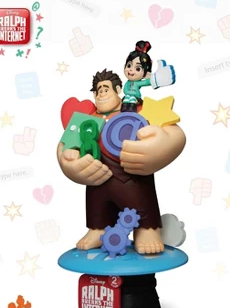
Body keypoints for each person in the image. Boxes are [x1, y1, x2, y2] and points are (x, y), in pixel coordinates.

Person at [57, 69, 186, 254]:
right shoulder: (87, 117)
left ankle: (147, 229)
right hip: (97, 172)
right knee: (97, 200)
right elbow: (65, 143)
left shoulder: (138, 109)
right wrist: (68, 163)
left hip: (132, 170)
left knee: (140, 196)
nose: (101, 94)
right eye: (98, 91)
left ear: (118, 90)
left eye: (106, 89)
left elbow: (175, 132)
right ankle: (98, 228)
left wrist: (160, 148)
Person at [121, 41, 176, 112]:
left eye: (138, 69)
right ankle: (124, 109)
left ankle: (131, 109)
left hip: (135, 98)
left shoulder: (138, 83)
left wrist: (156, 78)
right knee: (125, 103)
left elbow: (147, 82)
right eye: (129, 65)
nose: (131, 70)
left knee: (132, 103)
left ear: (146, 73)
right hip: (127, 96)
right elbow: (125, 89)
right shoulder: (128, 82)